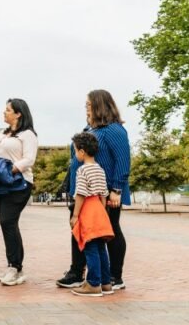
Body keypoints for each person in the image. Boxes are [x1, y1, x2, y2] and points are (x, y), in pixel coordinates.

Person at [57, 89, 131, 290]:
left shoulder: (114, 130)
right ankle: (77, 271)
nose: (86, 108)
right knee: (79, 229)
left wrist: (116, 189)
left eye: (89, 105)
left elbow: (123, 161)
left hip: (103, 192)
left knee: (109, 230)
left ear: (99, 105)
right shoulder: (90, 130)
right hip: (82, 191)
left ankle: (114, 276)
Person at [0, 98, 38, 286]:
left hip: (18, 183)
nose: (4, 113)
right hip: (0, 183)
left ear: (18, 113)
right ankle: (13, 266)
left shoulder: (27, 134)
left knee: (8, 221)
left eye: (7, 110)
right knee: (6, 224)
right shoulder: (2, 133)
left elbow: (29, 159)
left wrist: (10, 169)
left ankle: (17, 267)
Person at [69, 132, 115, 297]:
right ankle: (106, 282)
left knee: (90, 248)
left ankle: (93, 283)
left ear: (82, 151)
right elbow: (103, 193)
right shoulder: (99, 169)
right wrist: (102, 212)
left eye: (75, 151)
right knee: (101, 248)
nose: (75, 154)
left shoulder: (82, 170)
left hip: (88, 209)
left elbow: (80, 193)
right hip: (99, 210)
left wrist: (75, 215)